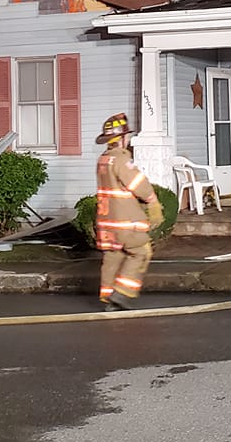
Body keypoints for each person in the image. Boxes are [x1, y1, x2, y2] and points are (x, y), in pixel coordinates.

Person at [93, 112, 164, 311]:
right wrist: (152, 201)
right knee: (141, 252)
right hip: (124, 223)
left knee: (113, 257)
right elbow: (138, 184)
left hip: (106, 223)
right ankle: (122, 294)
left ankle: (109, 299)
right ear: (121, 138)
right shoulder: (121, 159)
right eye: (127, 136)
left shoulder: (103, 160)